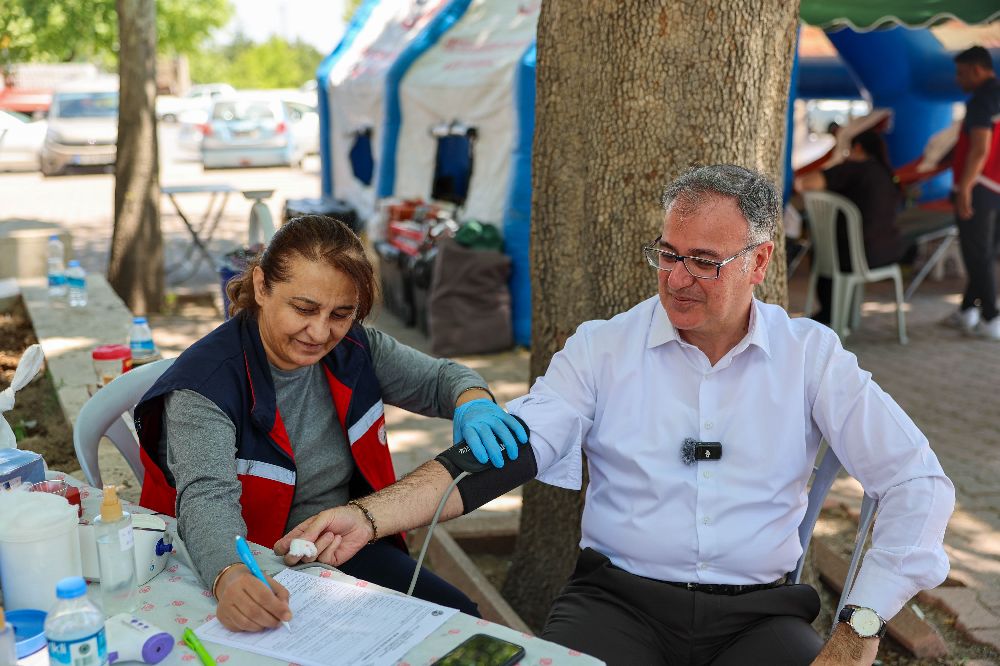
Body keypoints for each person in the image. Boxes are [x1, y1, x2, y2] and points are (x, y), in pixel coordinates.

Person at [275, 166, 955, 666]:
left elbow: (916, 483)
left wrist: (859, 625)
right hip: (618, 604)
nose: (678, 279)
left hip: (759, 616)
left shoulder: (811, 357)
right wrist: (367, 517)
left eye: (704, 262)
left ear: (760, 262)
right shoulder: (604, 348)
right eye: (667, 254)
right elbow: (506, 451)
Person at [133, 215, 527, 632]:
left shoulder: (357, 347)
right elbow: (206, 500)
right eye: (304, 309)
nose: (320, 333)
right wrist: (230, 576)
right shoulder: (205, 386)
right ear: (262, 287)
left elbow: (443, 379)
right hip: (249, 559)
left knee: (462, 624)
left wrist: (475, 402)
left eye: (341, 313)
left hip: (343, 546)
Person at [796, 130, 909, 325]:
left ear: (857, 148)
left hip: (854, 256)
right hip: (888, 252)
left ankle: (829, 314)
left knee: (826, 248)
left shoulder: (854, 169)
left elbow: (806, 183)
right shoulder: (886, 173)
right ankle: (840, 315)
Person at [947, 46, 1000, 340]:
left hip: (979, 187)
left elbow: (980, 148)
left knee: (977, 255)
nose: (958, 80)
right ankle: (968, 310)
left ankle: (991, 316)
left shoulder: (981, 100)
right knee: (986, 253)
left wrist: (966, 186)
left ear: (978, 70)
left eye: (962, 73)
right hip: (996, 187)